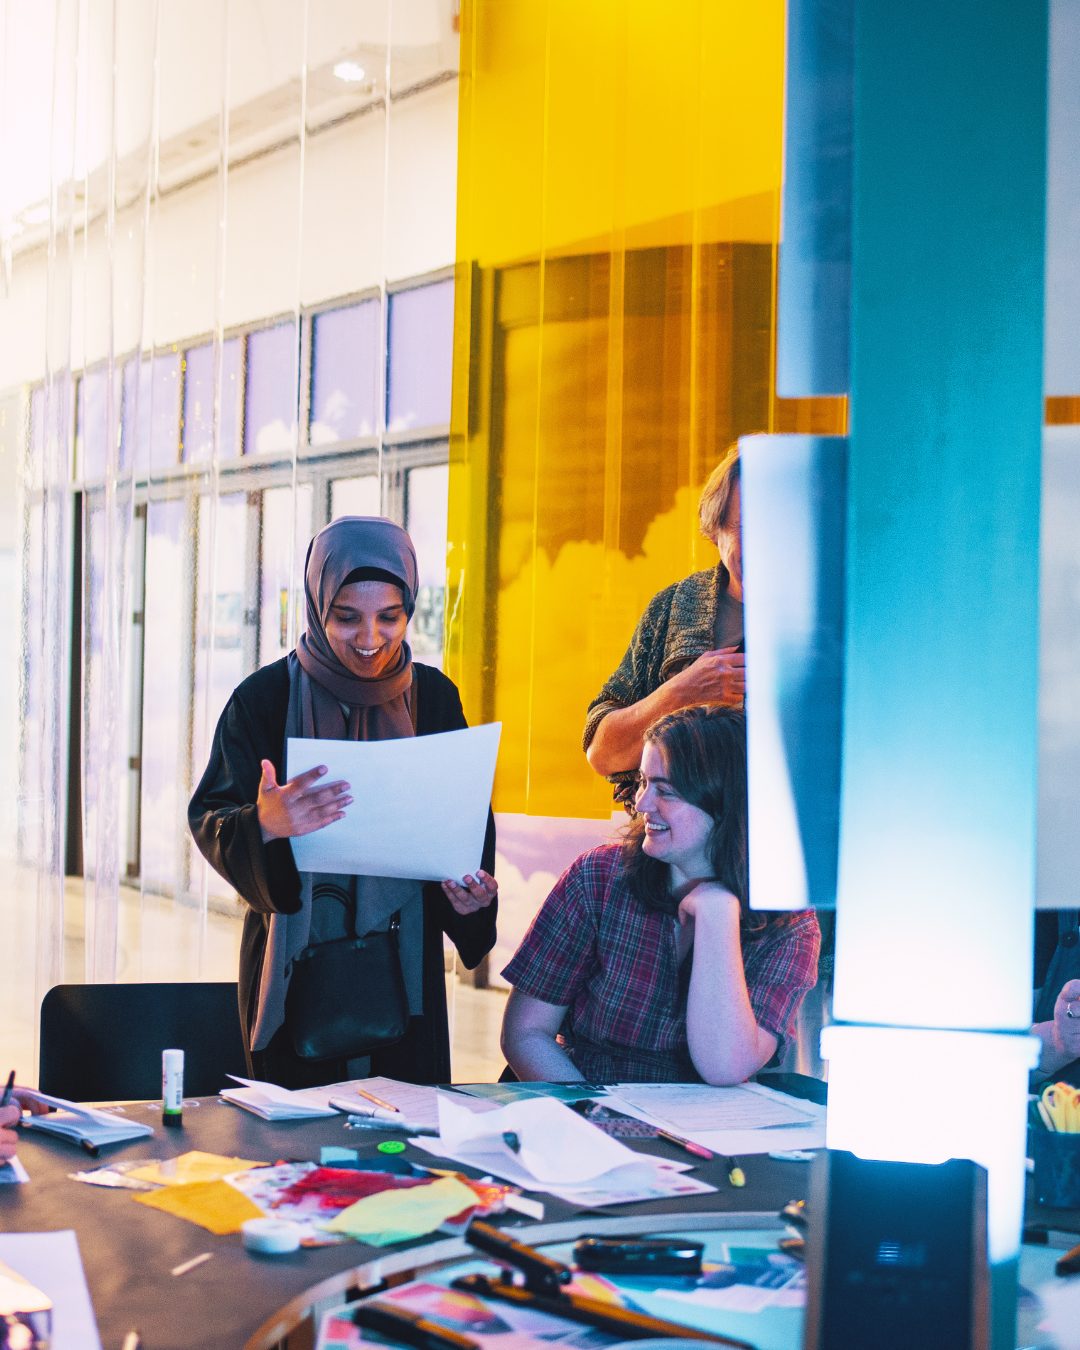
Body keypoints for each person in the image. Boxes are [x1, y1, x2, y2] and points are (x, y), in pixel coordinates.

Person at [189, 516, 498, 1089]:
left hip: (406, 985)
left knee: (404, 1156)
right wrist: (264, 823)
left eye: (390, 617)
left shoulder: (434, 698)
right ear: (315, 604)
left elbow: (463, 819)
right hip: (293, 974)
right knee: (293, 1151)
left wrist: (469, 893)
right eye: (346, 616)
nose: (369, 638)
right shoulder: (263, 699)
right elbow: (210, 817)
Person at [501, 705, 820, 1084]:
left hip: (704, 1128)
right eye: (643, 782)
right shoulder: (599, 877)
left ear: (727, 806)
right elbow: (524, 1034)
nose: (641, 803)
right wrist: (596, 1115)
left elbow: (724, 1068)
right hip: (584, 1098)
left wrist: (717, 913)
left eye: (665, 791)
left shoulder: (788, 922)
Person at [584, 445, 744, 809]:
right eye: (745, 527)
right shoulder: (673, 608)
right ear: (716, 530)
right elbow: (603, 752)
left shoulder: (842, 617)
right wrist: (684, 691)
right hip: (678, 853)